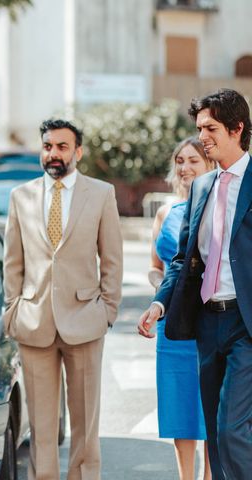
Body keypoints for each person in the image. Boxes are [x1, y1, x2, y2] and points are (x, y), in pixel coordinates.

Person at [138, 88, 252, 480]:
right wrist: (159, 303)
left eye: (210, 128)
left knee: (231, 428)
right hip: (206, 323)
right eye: (200, 127)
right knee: (214, 435)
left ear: (237, 129)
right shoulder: (202, 188)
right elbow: (182, 260)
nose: (202, 135)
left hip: (245, 324)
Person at [3, 119, 123, 480]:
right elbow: (13, 261)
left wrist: (108, 312)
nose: (53, 153)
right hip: (34, 322)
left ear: (78, 152)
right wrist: (13, 310)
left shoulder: (101, 193)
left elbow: (112, 258)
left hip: (86, 320)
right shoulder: (20, 196)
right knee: (40, 426)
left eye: (62, 146)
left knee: (86, 425)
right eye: (48, 146)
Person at [145, 138, 214, 480]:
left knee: (213, 407)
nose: (185, 168)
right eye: (180, 161)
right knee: (179, 407)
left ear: (209, 165)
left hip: (211, 321)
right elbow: (157, 267)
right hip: (171, 327)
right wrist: (160, 293)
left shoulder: (221, 208)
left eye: (194, 161)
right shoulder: (165, 213)